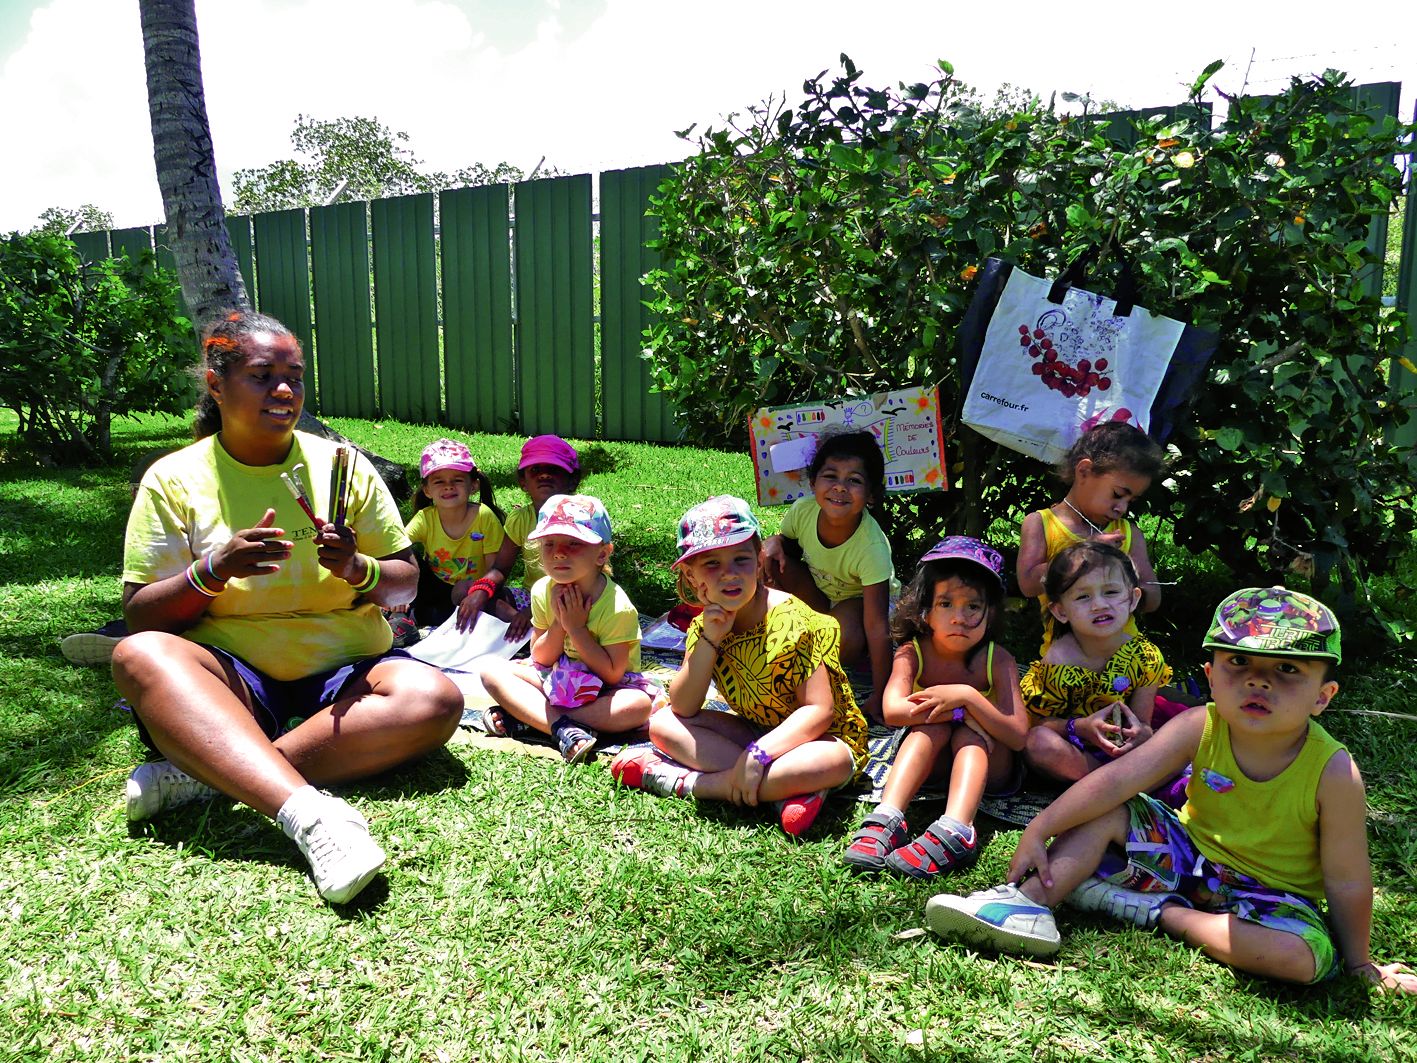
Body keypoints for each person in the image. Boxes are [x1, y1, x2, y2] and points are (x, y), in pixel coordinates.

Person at [111, 310, 462, 905]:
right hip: (233, 669)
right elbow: (143, 614)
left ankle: (213, 772)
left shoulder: (342, 468)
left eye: (294, 376)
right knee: (140, 655)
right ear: (215, 384)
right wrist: (211, 572)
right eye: (263, 374)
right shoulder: (174, 480)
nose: (284, 390)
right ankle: (311, 817)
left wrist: (357, 568)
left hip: (348, 665)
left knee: (435, 699)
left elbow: (405, 586)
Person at [923, 587, 1417, 994]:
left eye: (1287, 669)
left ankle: (1160, 913)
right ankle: (1027, 904)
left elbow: (1348, 879)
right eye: (1239, 662)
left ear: (1322, 697)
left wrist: (1359, 965)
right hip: (1187, 857)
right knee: (1109, 808)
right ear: (1209, 676)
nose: (1258, 682)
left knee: (1303, 959)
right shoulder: (1200, 724)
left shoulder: (1334, 770)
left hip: (1271, 896)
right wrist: (1041, 825)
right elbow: (1115, 779)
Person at [611, 496, 868, 837]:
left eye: (741, 560)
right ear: (691, 575)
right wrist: (710, 640)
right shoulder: (706, 626)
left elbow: (818, 712)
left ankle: (690, 783)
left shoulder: (794, 621)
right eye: (712, 564)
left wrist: (758, 755)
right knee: (663, 724)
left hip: (820, 739)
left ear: (760, 562)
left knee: (831, 762)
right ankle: (783, 790)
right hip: (755, 730)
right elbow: (684, 706)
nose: (729, 574)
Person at [843, 537, 1026, 876]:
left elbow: (1017, 736)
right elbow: (892, 710)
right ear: (925, 610)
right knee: (934, 726)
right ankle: (888, 816)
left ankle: (958, 828)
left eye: (973, 606)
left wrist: (966, 698)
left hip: (990, 769)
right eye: (946, 604)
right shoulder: (912, 652)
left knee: (969, 737)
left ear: (992, 613)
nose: (959, 617)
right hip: (932, 766)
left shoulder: (998, 660)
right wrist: (952, 712)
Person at [476, 494, 661, 763]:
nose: (559, 552)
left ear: (602, 554)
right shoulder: (542, 591)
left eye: (574, 543)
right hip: (555, 677)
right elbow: (540, 658)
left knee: (637, 706)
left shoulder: (616, 606)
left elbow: (612, 673)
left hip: (603, 690)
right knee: (491, 670)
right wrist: (560, 624)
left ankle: (535, 721)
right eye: (549, 543)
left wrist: (576, 629)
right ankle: (562, 728)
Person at [760, 430, 897, 722]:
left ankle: (815, 660)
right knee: (767, 560)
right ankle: (765, 637)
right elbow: (786, 544)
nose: (840, 488)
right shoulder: (802, 511)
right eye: (831, 476)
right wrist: (774, 541)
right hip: (818, 594)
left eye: (854, 481)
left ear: (871, 495)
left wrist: (881, 692)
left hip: (857, 601)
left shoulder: (871, 548)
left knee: (840, 639)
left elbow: (877, 625)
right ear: (813, 483)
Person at [1020, 541, 1170, 784]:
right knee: (1037, 744)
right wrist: (1081, 727)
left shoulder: (1145, 656)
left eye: (1111, 592)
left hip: (1127, 751)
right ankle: (1112, 786)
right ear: (1061, 612)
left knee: (1185, 732)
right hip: (1078, 748)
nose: (1099, 604)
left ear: (1133, 599)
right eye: (1083, 596)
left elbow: (1143, 723)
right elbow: (1038, 723)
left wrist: (1140, 734)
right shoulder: (1058, 662)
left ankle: (1107, 787)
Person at [1016, 422, 1164, 655]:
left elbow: (1153, 597)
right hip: (1065, 660)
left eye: (1131, 501)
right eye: (1117, 494)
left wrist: (1127, 578)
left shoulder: (1127, 533)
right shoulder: (1040, 524)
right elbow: (1027, 584)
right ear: (1084, 471)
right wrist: (1084, 551)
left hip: (1126, 658)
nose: (1122, 508)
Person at [453, 434, 581, 639]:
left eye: (554, 470)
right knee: (464, 590)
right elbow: (500, 568)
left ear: (572, 480)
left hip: (573, 597)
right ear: (523, 482)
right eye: (535, 470)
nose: (544, 476)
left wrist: (531, 613)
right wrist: (481, 591)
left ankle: (530, 630)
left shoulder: (581, 518)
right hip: (532, 597)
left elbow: (584, 580)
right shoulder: (521, 519)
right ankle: (523, 628)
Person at [403, 438, 507, 629]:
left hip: (475, 591)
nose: (448, 486)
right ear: (427, 490)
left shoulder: (484, 516)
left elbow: (495, 569)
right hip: (434, 589)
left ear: (473, 485)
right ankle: (406, 616)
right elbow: (396, 545)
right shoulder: (425, 518)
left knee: (466, 590)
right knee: (407, 558)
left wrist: (478, 592)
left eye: (457, 480)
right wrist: (399, 590)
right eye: (439, 481)